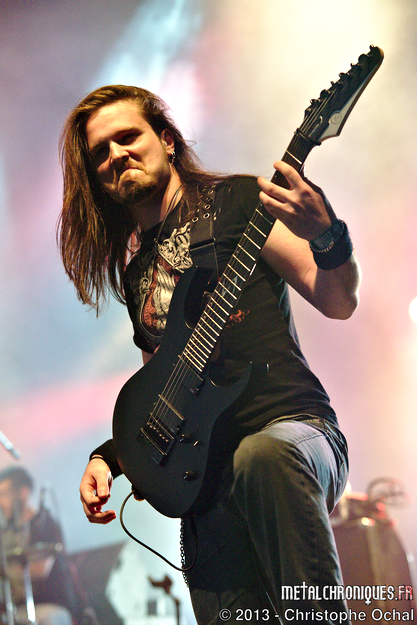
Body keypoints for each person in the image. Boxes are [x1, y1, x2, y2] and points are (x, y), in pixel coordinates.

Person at [58, 85, 361, 624]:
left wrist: (327, 234)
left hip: (292, 433)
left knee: (261, 457)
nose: (116, 155)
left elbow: (338, 300)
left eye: (127, 137)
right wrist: (108, 458)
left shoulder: (240, 202)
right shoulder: (137, 273)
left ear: (167, 140)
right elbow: (165, 392)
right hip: (207, 482)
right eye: (100, 153)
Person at [0, 467, 74, 625]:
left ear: (23, 492)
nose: (0, 502)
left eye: (4, 494)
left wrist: (5, 571)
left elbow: (40, 569)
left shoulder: (43, 524)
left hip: (49, 606)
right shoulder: (5, 532)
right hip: (16, 608)